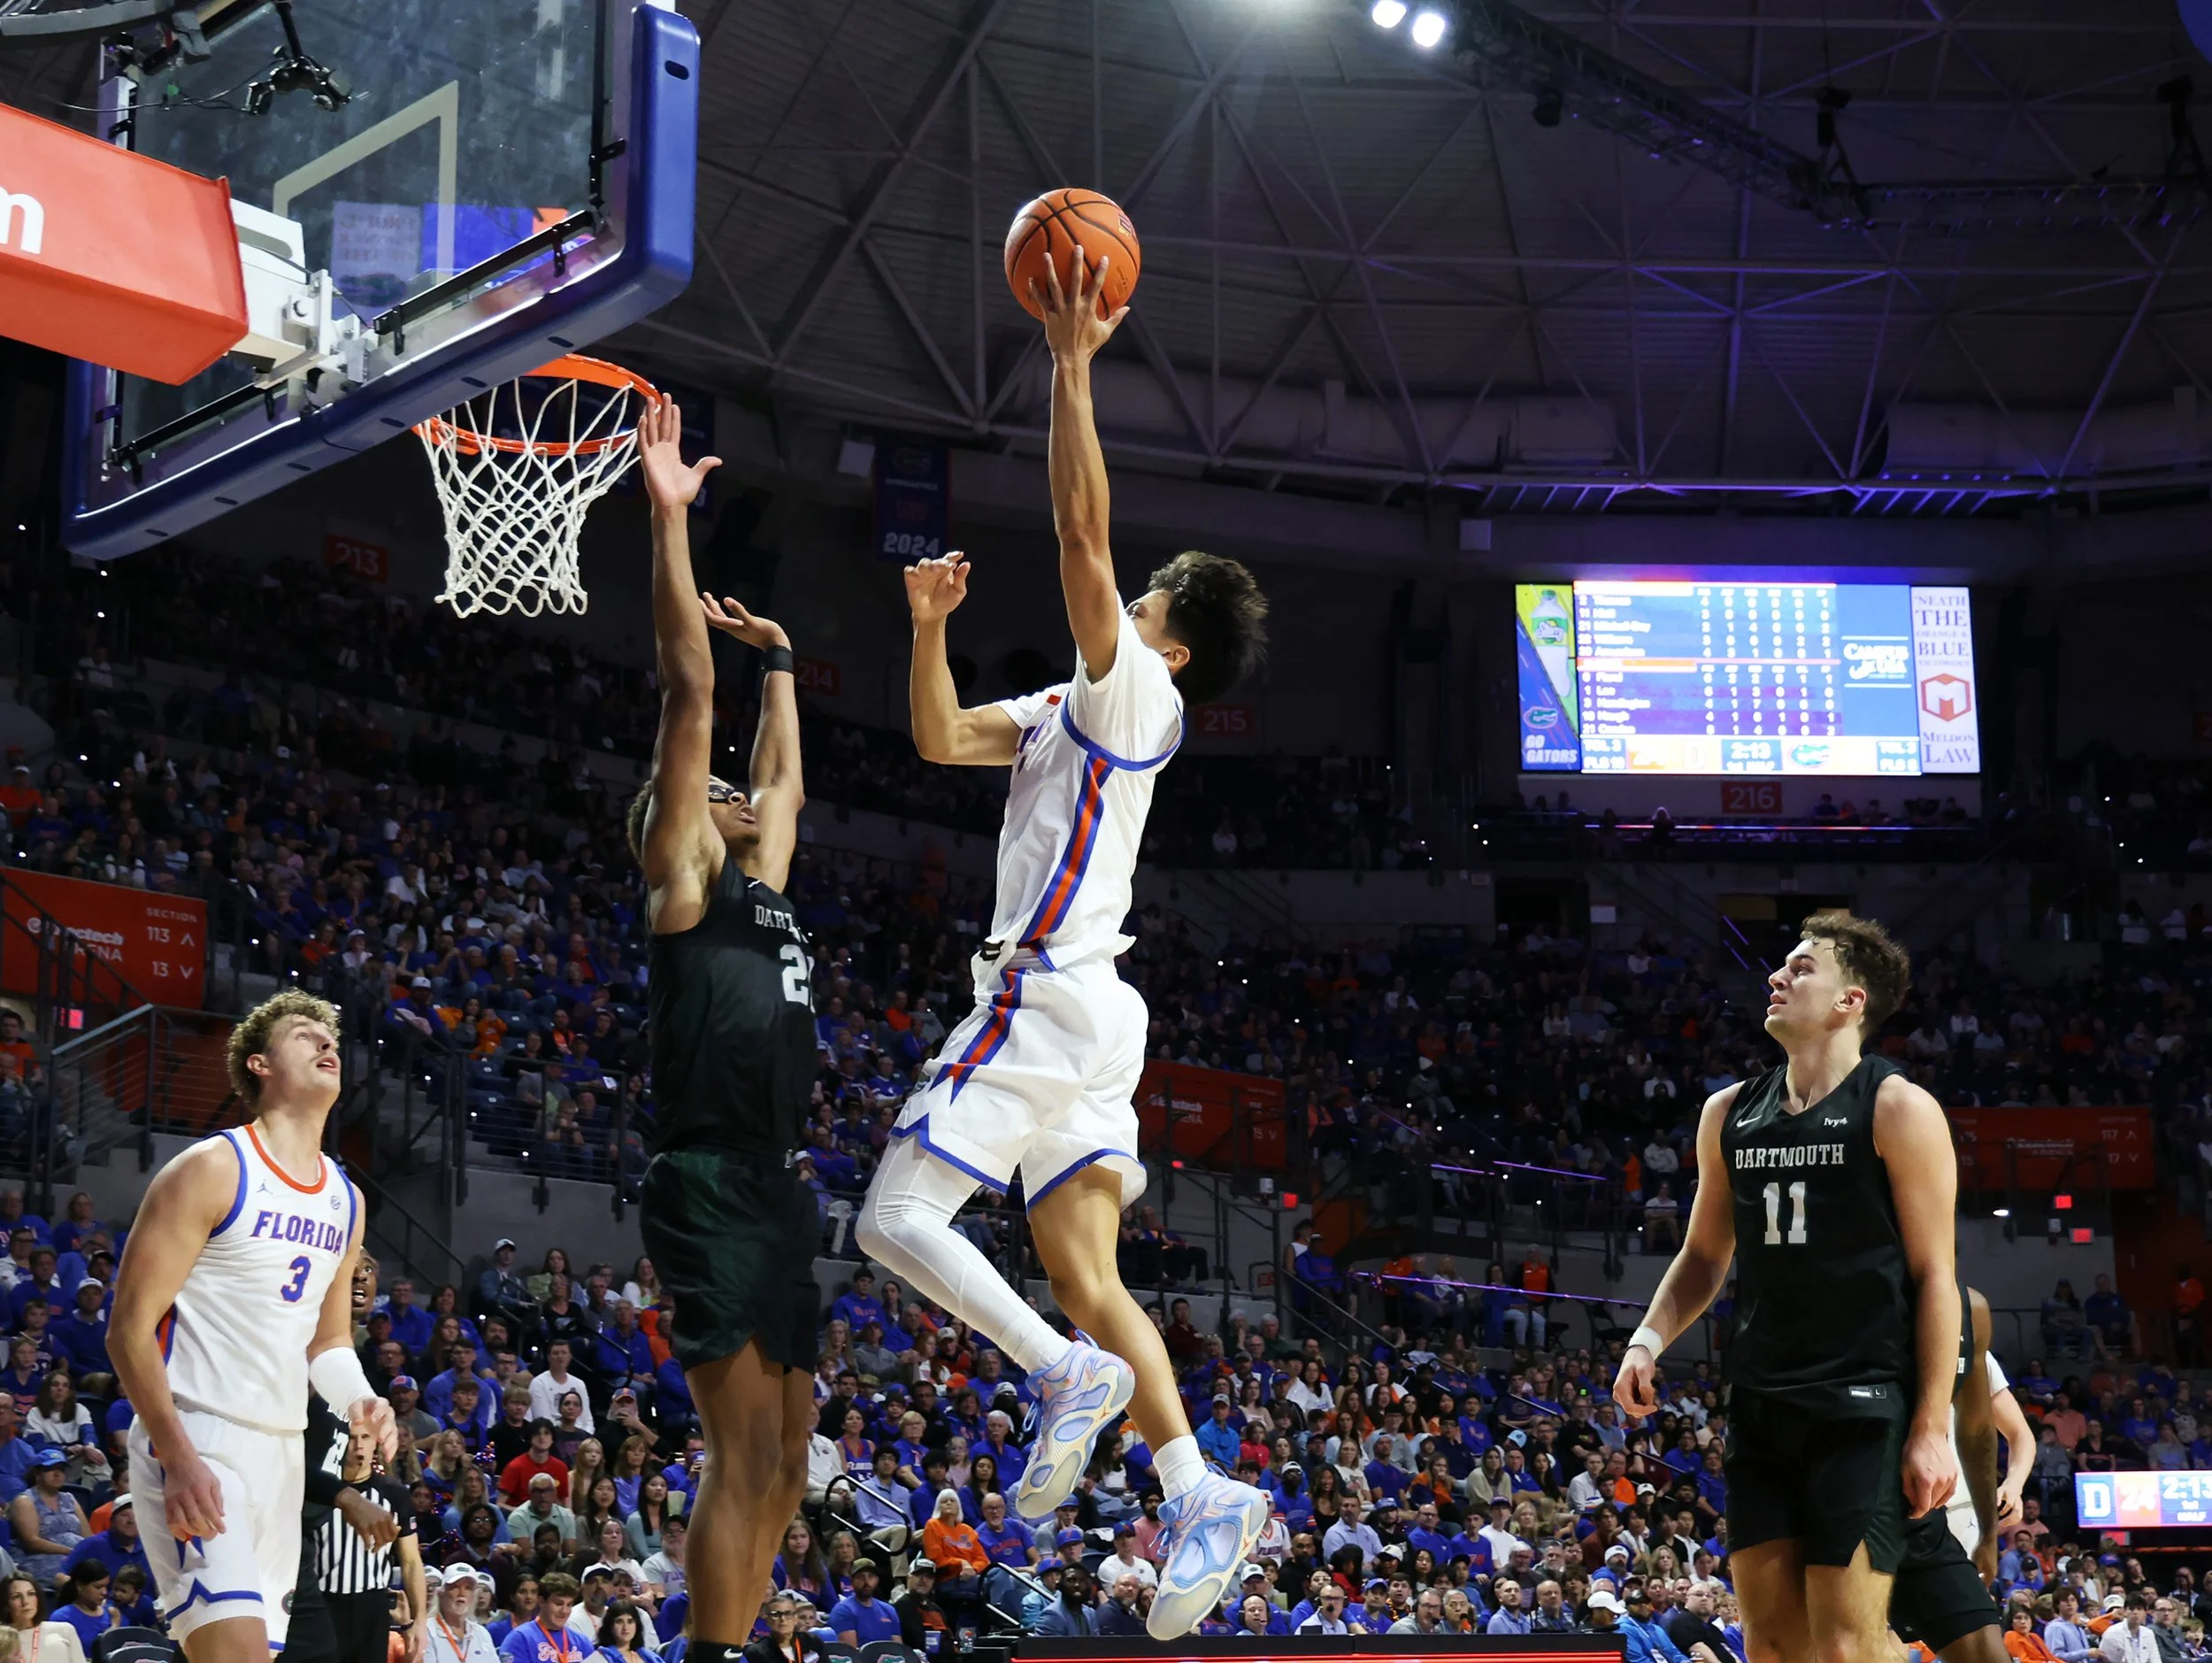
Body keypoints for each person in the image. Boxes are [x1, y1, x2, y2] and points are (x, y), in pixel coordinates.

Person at [856, 246, 1269, 1643]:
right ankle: (1198, 1483)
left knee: (895, 1217)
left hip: (1042, 992)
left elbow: (1081, 539)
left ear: (1176, 643)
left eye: (1152, 597)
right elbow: (937, 735)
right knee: (1090, 1274)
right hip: (1099, 1007)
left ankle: (1056, 1374)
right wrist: (926, 630)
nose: (1125, 597)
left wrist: (1074, 361)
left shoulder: (1138, 690)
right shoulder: (1070, 700)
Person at [1614, 914, 1960, 1663]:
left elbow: (1939, 1277)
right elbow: (1705, 1253)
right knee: (1771, 1643)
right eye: (1781, 965)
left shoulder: (1899, 1107)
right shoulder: (1729, 1112)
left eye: (1802, 968)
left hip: (1861, 1403)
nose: (1777, 976)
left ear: (1851, 1000)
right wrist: (1647, 1339)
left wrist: (1932, 1425)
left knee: (1847, 1642)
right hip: (1763, 1401)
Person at [626, 395, 820, 1663]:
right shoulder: (685, 876)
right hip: (705, 1175)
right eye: (718, 791)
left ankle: (736, 1643)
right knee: (743, 1446)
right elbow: (690, 687)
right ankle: (709, 1654)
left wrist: (787, 659)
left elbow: (790, 779)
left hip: (778, 1181)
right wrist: (670, 521)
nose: (745, 795)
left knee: (793, 1465)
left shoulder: (766, 886)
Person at [105, 991, 395, 1663]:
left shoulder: (345, 1200)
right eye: (305, 1034)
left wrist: (359, 1397)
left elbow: (325, 1342)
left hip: (283, 1456)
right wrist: (178, 1456)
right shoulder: (212, 1167)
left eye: (332, 1036)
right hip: (200, 1436)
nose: (327, 1044)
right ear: (259, 1063)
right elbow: (128, 1328)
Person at [1888, 1287, 2028, 1663]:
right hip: (1875, 1489)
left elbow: (2007, 1432)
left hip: (1956, 1508)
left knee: (1976, 1641)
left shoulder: (1969, 1316)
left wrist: (2009, 1490)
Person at [498, 1572, 592, 1663]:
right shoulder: (520, 1638)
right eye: (558, 1604)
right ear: (541, 1601)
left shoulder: (582, 1642)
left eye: (569, 1605)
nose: (564, 1611)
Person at [426, 1567, 500, 1663]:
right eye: (455, 1587)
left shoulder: (481, 1633)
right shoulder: (426, 1631)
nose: (462, 1593)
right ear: (441, 1593)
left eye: (468, 1588)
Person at [740, 1595, 817, 1663]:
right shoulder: (757, 1651)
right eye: (776, 1614)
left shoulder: (812, 1641)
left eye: (788, 1614)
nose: (783, 1619)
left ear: (796, 1618)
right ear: (767, 1620)